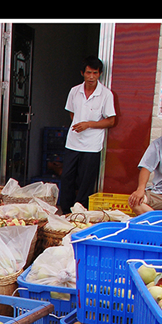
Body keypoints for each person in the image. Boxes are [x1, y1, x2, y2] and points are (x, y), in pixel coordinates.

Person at [56, 57, 116, 214]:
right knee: (67, 177)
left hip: (92, 145)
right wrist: (79, 125)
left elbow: (111, 121)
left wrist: (88, 124)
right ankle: (67, 212)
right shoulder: (74, 91)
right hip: (73, 142)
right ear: (82, 73)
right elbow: (72, 113)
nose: (91, 77)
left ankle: (81, 212)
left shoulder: (106, 94)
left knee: (86, 181)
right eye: (88, 72)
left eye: (95, 73)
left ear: (100, 74)